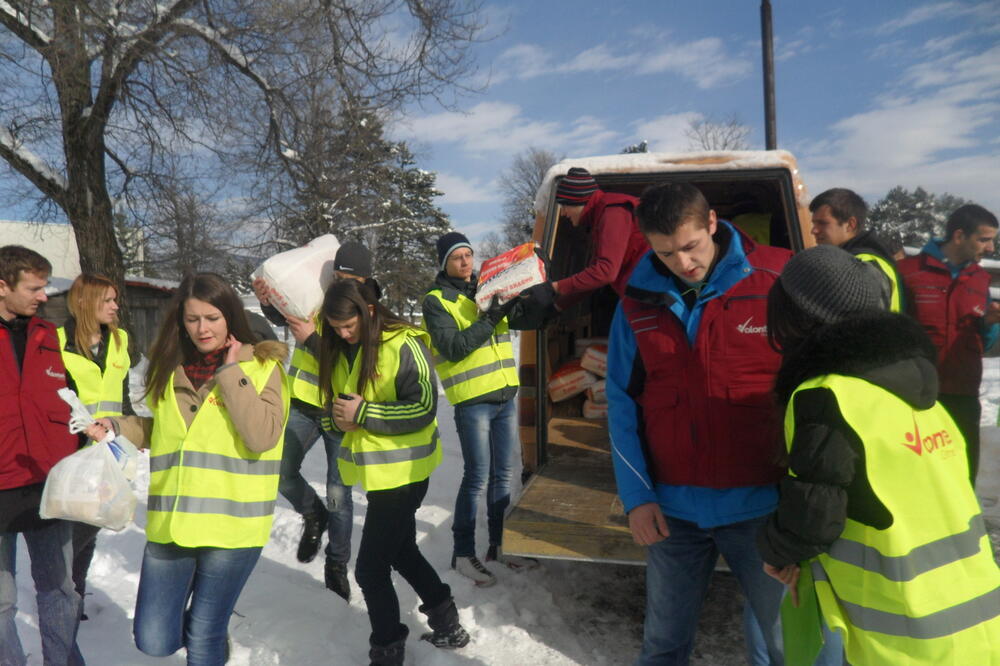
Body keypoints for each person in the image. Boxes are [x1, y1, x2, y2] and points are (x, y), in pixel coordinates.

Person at [758, 245, 1000, 665]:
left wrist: (774, 550)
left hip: (904, 631)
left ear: (798, 312)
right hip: (977, 612)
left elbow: (814, 517)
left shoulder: (827, 395)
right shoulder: (922, 394)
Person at [607, 183, 790, 665]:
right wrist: (637, 497)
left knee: (787, 643)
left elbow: (814, 393)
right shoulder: (636, 301)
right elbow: (621, 402)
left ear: (711, 222)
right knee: (663, 644)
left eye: (691, 246)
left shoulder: (777, 278)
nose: (683, 263)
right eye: (666, 253)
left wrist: (805, 501)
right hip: (674, 514)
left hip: (763, 508)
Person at [96, 272, 289, 665]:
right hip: (173, 522)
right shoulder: (172, 369)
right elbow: (166, 431)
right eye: (193, 319)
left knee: (203, 633)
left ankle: (212, 638)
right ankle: (213, 636)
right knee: (153, 639)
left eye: (212, 318)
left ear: (230, 317)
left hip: (232, 528)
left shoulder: (263, 367)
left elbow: (262, 436)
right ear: (181, 322)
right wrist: (117, 427)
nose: (203, 329)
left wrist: (231, 373)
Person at [317, 279, 469, 666]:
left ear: (368, 311)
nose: (343, 334)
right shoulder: (342, 350)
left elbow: (424, 406)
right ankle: (447, 622)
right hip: (378, 475)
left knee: (370, 570)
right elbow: (337, 408)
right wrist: (337, 419)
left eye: (349, 325)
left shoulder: (403, 343)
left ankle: (387, 652)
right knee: (401, 551)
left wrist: (365, 413)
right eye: (335, 328)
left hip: (406, 475)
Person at [251, 241, 376, 600]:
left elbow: (353, 355)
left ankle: (336, 563)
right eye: (337, 276)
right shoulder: (319, 293)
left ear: (366, 279)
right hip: (304, 402)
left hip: (341, 410)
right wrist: (267, 301)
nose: (340, 283)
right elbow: (288, 317)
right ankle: (313, 514)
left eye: (349, 278)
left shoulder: (369, 310)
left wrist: (311, 340)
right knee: (279, 469)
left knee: (339, 495)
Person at [422, 232, 543, 587]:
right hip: (473, 401)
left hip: (504, 395)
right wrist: (490, 318)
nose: (465, 262)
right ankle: (462, 554)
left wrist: (533, 291)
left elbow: (525, 320)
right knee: (476, 477)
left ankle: (498, 545)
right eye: (456, 257)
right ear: (444, 263)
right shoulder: (436, 301)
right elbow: (454, 347)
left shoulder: (487, 290)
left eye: (468, 254)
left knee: (503, 475)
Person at [0, 245, 84, 665]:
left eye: (44, 286)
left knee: (60, 591)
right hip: (1, 485)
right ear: (2, 286)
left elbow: (67, 397)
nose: (43, 295)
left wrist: (82, 437)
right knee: (1, 604)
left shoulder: (46, 334)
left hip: (48, 486)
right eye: (33, 288)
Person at [898, 204, 1000, 485]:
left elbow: (985, 343)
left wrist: (990, 323)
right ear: (958, 236)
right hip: (917, 398)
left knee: (962, 477)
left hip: (963, 396)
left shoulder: (980, 278)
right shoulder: (908, 272)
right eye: (984, 239)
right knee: (919, 478)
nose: (991, 248)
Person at [57, 273, 135, 621]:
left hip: (110, 450)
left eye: (115, 299)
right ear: (83, 302)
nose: (116, 306)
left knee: (91, 527)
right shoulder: (57, 342)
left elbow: (123, 391)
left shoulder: (119, 340)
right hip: (71, 451)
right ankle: (62, 598)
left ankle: (74, 594)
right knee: (71, 531)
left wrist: (129, 430)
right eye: (108, 300)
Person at [538, 166, 649, 311]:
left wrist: (554, 287)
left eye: (564, 206)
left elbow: (605, 272)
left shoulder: (613, 212)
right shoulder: (599, 219)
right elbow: (594, 277)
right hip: (641, 297)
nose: (563, 213)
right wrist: (557, 307)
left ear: (578, 200)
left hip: (652, 297)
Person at [809, 187, 904, 312]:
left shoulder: (862, 267)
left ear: (850, 224)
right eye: (814, 223)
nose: (814, 230)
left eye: (822, 223)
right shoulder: (858, 259)